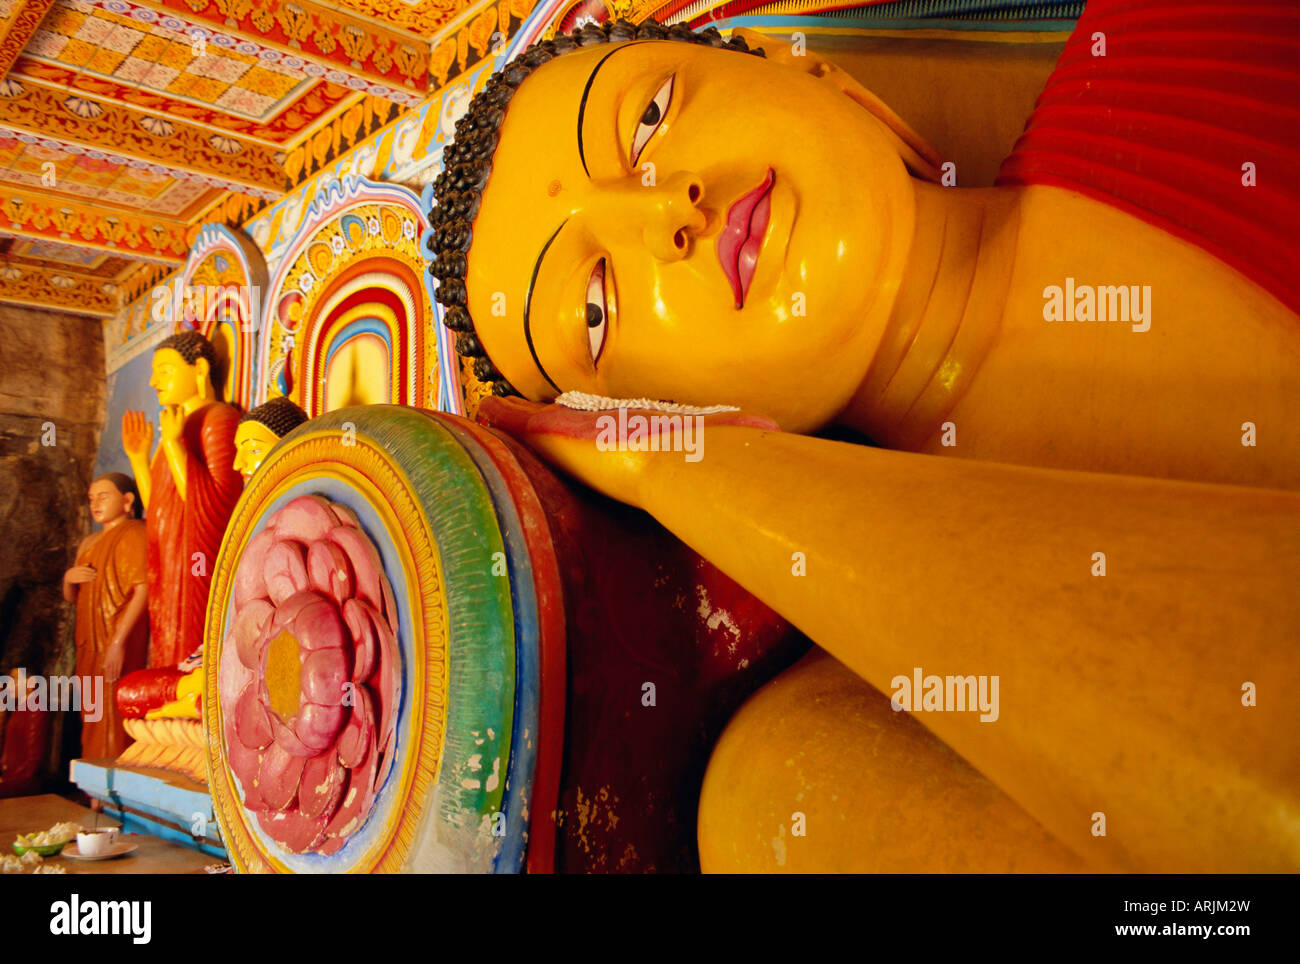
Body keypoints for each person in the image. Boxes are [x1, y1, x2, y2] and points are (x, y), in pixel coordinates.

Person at [429, 11, 1300, 871]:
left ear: (821, 78)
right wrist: (675, 468)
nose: (664, 212)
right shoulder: (815, 766)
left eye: (649, 116)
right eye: (595, 306)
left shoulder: (1176, 31)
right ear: (649, 410)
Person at [122, 331, 243, 668]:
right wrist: (138, 459)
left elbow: (218, 505)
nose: (153, 381)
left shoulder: (219, 419)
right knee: (162, 650)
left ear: (200, 369)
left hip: (196, 560)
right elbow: (158, 506)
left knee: (187, 654)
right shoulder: (172, 428)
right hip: (167, 558)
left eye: (165, 370)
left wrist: (175, 446)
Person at [62, 473, 148, 757]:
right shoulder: (89, 543)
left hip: (116, 636)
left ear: (127, 501)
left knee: (113, 710)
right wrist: (68, 580)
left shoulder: (135, 533)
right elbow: (74, 599)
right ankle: (93, 789)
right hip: (88, 643)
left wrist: (117, 642)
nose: (95, 504)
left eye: (103, 496)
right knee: (91, 712)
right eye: (91, 499)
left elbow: (143, 589)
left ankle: (111, 785)